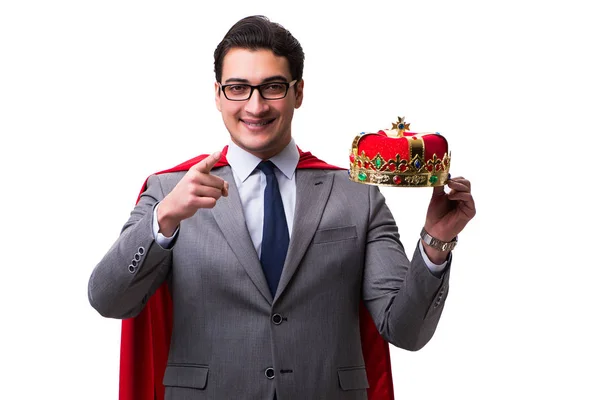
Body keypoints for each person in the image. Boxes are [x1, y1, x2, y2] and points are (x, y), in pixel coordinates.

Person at [88, 15, 475, 400]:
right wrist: (164, 220)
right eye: (238, 88)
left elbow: (404, 330)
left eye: (272, 87)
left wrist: (435, 242)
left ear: (298, 92)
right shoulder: (170, 191)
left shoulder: (358, 196)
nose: (255, 106)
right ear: (218, 94)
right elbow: (109, 300)